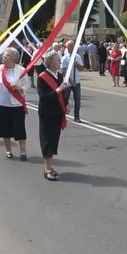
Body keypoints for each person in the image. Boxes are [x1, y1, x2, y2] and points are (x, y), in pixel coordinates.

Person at [0, 47, 31, 160]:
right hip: (3, 104)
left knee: (20, 129)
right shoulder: (0, 68)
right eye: (4, 56)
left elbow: (27, 85)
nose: (4, 58)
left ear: (13, 58)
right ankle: (8, 150)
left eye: (6, 56)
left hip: (17, 105)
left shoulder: (21, 70)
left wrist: (20, 88)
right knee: (5, 129)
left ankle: (23, 151)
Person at [37, 50, 69, 181]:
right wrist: (58, 90)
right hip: (47, 113)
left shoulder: (59, 75)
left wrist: (66, 104)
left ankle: (50, 166)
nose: (59, 63)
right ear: (50, 62)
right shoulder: (42, 77)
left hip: (57, 113)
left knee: (54, 140)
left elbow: (62, 94)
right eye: (57, 61)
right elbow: (43, 97)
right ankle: (47, 169)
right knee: (47, 141)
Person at [60, 40, 84, 123]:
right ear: (67, 47)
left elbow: (82, 68)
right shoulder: (65, 58)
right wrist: (70, 80)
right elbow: (63, 71)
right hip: (67, 83)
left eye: (73, 45)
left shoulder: (77, 57)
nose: (73, 47)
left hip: (77, 82)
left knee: (77, 99)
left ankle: (77, 116)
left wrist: (77, 64)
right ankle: (63, 115)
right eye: (71, 46)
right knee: (65, 99)